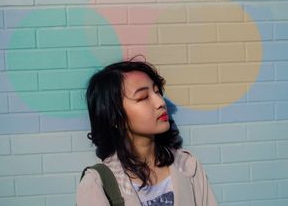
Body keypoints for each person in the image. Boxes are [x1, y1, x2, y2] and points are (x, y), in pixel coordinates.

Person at [76, 59, 217, 206]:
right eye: (143, 97)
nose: (160, 102)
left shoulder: (188, 166)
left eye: (157, 92)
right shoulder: (98, 183)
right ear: (114, 117)